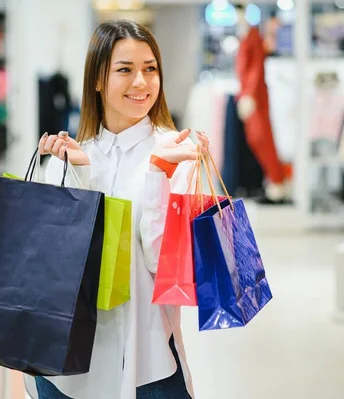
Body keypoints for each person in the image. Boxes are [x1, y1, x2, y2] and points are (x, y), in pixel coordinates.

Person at [26, 20, 209, 399]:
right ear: (97, 79)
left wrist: (159, 174)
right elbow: (57, 265)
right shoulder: (71, 157)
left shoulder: (177, 154)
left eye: (150, 69)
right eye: (125, 70)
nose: (141, 82)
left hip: (148, 362)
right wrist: (79, 175)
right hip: (66, 367)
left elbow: (164, 268)